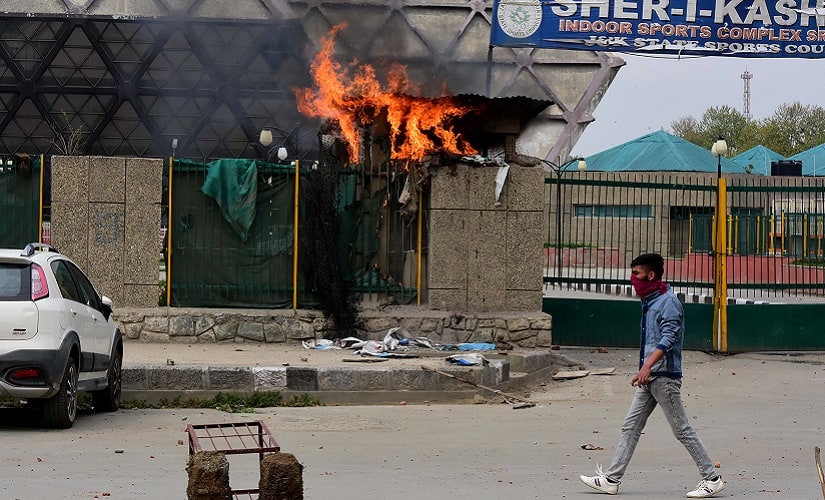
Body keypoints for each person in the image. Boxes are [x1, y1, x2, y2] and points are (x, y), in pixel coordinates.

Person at [578, 253, 725, 498]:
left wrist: (647, 366)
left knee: (682, 429)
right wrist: (646, 369)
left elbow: (669, 338)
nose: (632, 279)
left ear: (652, 275)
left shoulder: (667, 302)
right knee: (631, 427)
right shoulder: (651, 300)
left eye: (636, 274)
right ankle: (611, 479)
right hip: (650, 378)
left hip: (664, 377)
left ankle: (712, 478)